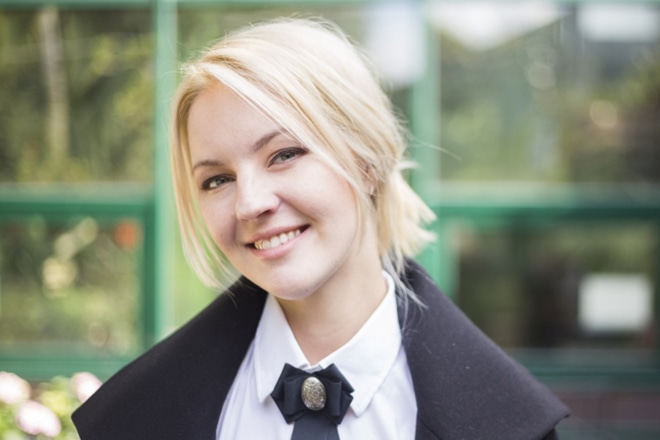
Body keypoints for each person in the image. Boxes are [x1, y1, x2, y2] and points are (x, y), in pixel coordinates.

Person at [72, 17, 569, 439]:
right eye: (217, 179)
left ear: (367, 161)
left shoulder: (510, 425)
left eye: (284, 154)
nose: (249, 203)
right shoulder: (134, 419)